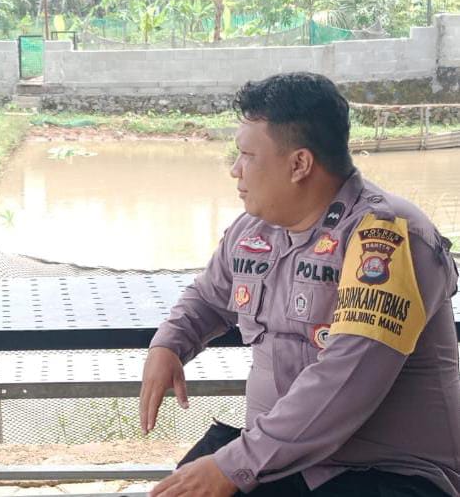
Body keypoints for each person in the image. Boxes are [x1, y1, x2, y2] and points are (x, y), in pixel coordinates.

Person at [140, 72, 460, 497]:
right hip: (278, 461)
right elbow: (209, 297)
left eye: (247, 156)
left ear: (299, 164)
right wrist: (168, 344)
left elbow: (345, 380)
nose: (235, 170)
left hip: (384, 473)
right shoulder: (255, 230)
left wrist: (233, 465)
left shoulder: (384, 237)